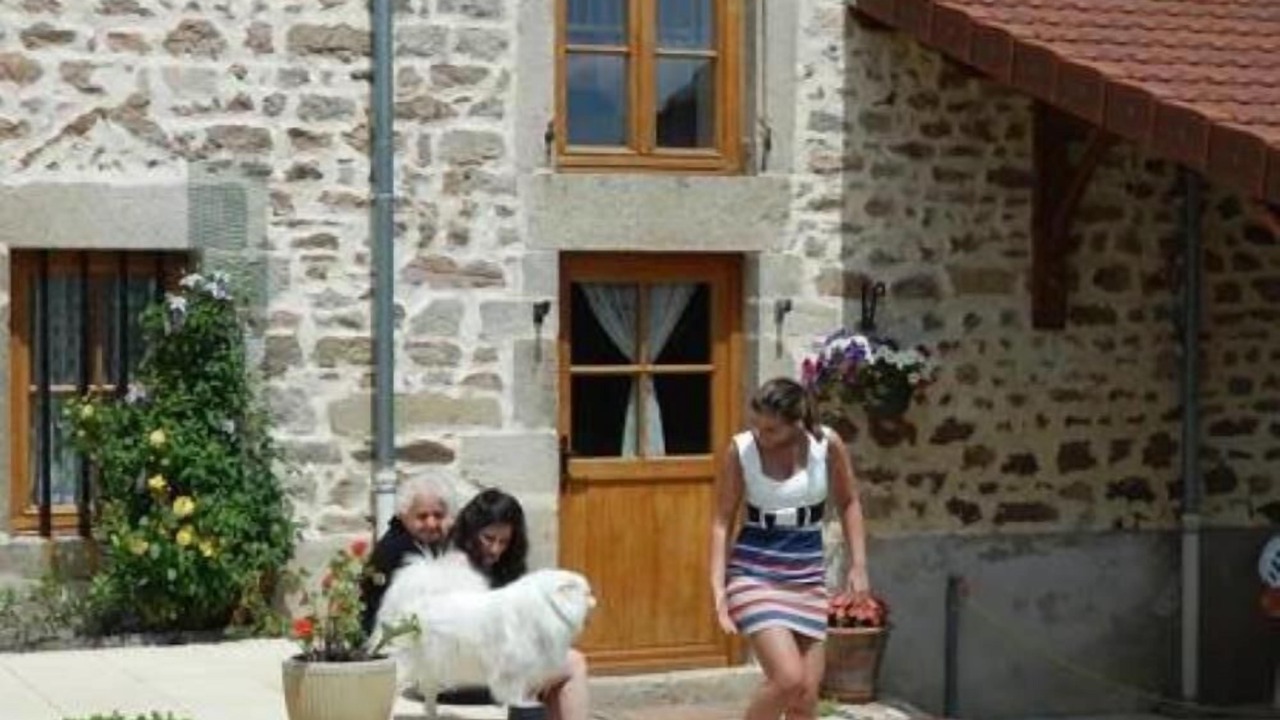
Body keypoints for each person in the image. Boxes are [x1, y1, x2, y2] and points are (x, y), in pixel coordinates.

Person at [709, 377, 871, 720]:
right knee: (787, 679)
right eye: (757, 424)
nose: (761, 434)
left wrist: (858, 565)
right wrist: (719, 589)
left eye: (771, 429)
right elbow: (722, 521)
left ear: (797, 423)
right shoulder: (741, 450)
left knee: (806, 698)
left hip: (807, 577)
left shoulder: (826, 444)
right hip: (754, 574)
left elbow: (849, 501)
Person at [448, 488, 591, 720]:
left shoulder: (505, 568)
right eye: (488, 539)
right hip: (469, 671)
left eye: (504, 541)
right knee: (574, 663)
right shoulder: (458, 566)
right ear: (472, 532)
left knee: (561, 661)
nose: (495, 549)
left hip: (497, 663)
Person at [360, 476, 452, 635]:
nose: (431, 524)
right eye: (422, 516)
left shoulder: (436, 543)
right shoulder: (395, 548)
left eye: (438, 515)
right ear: (404, 515)